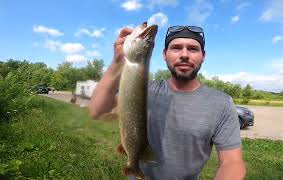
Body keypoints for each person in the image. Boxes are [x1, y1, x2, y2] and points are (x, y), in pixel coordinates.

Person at [89, 25, 246, 180]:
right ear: (164, 54)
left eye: (192, 49)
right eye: (176, 48)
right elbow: (96, 111)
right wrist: (117, 61)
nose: (184, 54)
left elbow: (232, 162)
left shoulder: (222, 103)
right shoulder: (144, 91)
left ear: (203, 56)